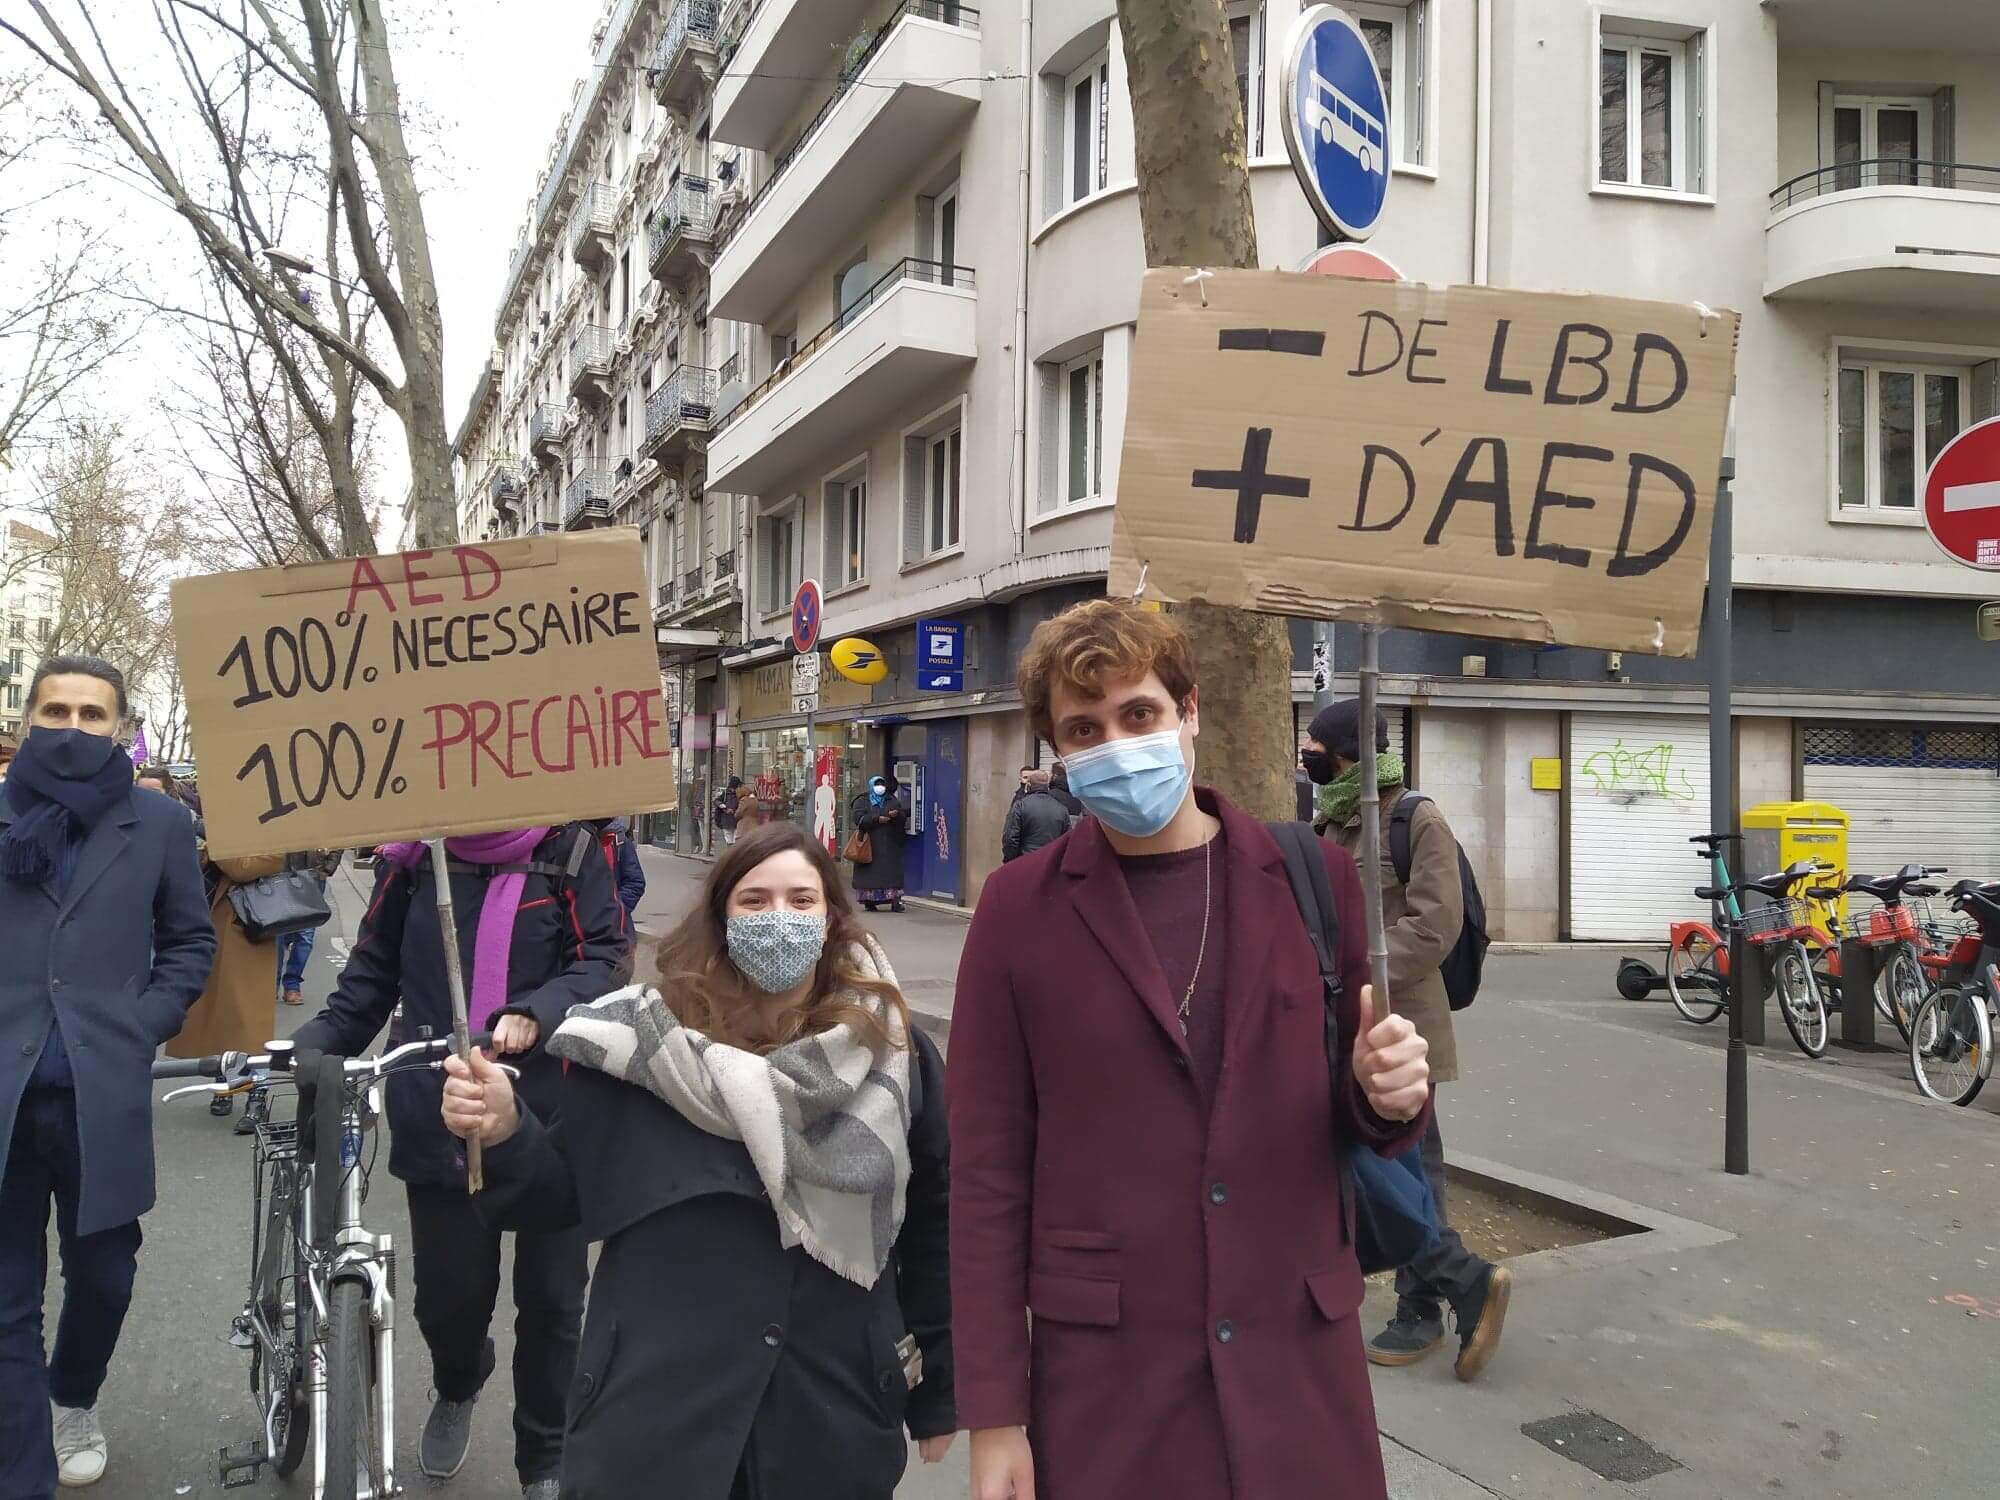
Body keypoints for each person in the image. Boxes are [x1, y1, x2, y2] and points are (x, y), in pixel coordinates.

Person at [949, 599, 1431, 1500]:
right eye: (1084, 729)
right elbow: (983, 1172)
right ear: (1059, 753)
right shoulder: (1018, 909)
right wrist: (993, 1412)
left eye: (1140, 715)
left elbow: (1370, 1103)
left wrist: (1390, 1093)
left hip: (1296, 1364)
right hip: (1109, 1382)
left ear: (1190, 712)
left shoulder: (1312, 879)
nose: (1117, 743)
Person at [439, 822, 956, 1498]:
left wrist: (942, 1384)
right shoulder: (641, 1043)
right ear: (720, 917)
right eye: (754, 900)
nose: (779, 919)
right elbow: (554, 1199)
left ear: (832, 918)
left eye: (802, 901)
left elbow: (936, 1224)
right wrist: (505, 1131)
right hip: (653, 1415)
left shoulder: (894, 1054)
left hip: (830, 1415)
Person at [292, 823, 625, 1499]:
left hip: (553, 1111)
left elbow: (606, 961)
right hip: (440, 1109)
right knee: (449, 1304)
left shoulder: (574, 851)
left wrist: (540, 1010)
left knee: (555, 1304)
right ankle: (458, 1381)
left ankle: (545, 1457)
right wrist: (317, 1046)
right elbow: (370, 976)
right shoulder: (409, 863)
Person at [0, 655, 216, 1496]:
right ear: (26, 721)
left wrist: (145, 1024)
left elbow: (191, 940)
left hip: (105, 1096)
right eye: (56, 710)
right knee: (7, 1301)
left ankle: (72, 1397)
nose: (74, 727)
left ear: (122, 728)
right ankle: (23, 1474)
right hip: (6, 1101)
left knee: (105, 1278)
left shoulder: (157, 822)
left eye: (94, 714)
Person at [1305, 699, 1510, 1380]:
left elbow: (1434, 923)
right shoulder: (1327, 823)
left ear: (1344, 751)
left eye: (1313, 747)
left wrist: (1356, 974)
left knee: (1405, 1168)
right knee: (1396, 1168)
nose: (1304, 757)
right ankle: (1434, 1296)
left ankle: (1446, 1290)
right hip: (1339, 1026)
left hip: (1402, 1026)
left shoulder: (1415, 818)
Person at [164, 831, 286, 1123]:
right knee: (221, 1013)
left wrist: (217, 843)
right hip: (221, 926)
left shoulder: (275, 829)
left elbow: (245, 868)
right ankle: (223, 1084)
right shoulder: (228, 829)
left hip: (253, 928)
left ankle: (257, 1092)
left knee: (250, 1021)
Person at [276, 850, 343, 1010]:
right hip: (281, 872)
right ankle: (272, 983)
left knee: (305, 934)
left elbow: (337, 835)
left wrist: (328, 867)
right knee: (278, 931)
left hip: (313, 872)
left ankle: (292, 985)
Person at [848, 774, 908, 913]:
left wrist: (896, 815)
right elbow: (859, 819)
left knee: (891, 875)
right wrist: (876, 819)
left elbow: (901, 816)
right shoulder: (862, 800)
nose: (880, 788)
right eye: (877, 785)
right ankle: (869, 902)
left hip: (889, 844)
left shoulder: (890, 799)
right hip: (870, 844)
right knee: (870, 875)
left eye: (882, 784)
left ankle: (895, 901)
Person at [999, 768, 1070, 863]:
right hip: (1050, 863)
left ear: (1029, 785)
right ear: (1047, 785)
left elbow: (1010, 838)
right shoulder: (1061, 809)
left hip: (1026, 860)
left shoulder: (1021, 805)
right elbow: (1066, 840)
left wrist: (1010, 860)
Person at [715, 777, 742, 847]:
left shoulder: (739, 794)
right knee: (730, 840)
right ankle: (732, 854)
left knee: (734, 840)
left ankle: (732, 854)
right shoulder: (725, 793)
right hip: (728, 820)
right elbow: (717, 801)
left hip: (735, 820)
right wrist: (725, 808)